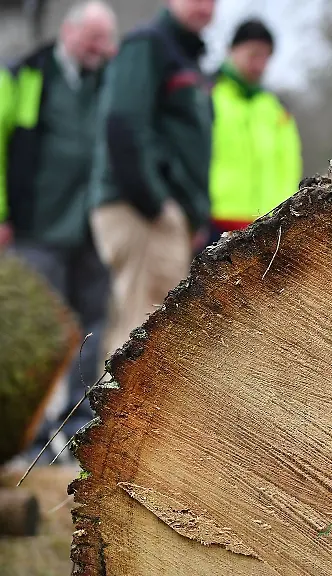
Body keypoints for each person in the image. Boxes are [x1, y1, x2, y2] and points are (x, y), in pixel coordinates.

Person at [0, 0, 117, 458]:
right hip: (37, 225)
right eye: (92, 38)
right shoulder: (27, 75)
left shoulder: (109, 80)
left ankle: (79, 424)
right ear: (69, 32)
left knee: (92, 326)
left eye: (105, 40)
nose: (99, 48)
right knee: (38, 331)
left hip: (93, 227)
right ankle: (33, 438)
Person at [90, 0, 216, 358]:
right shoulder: (148, 44)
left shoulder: (187, 57)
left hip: (166, 213)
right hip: (141, 210)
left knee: (150, 335)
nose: (206, 6)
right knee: (143, 338)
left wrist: (191, 213)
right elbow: (123, 125)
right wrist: (156, 204)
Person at [209, 18, 301, 241]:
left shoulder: (277, 110)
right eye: (253, 55)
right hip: (214, 223)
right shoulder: (206, 97)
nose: (259, 65)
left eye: (265, 57)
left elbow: (290, 165)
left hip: (267, 227)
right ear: (231, 50)